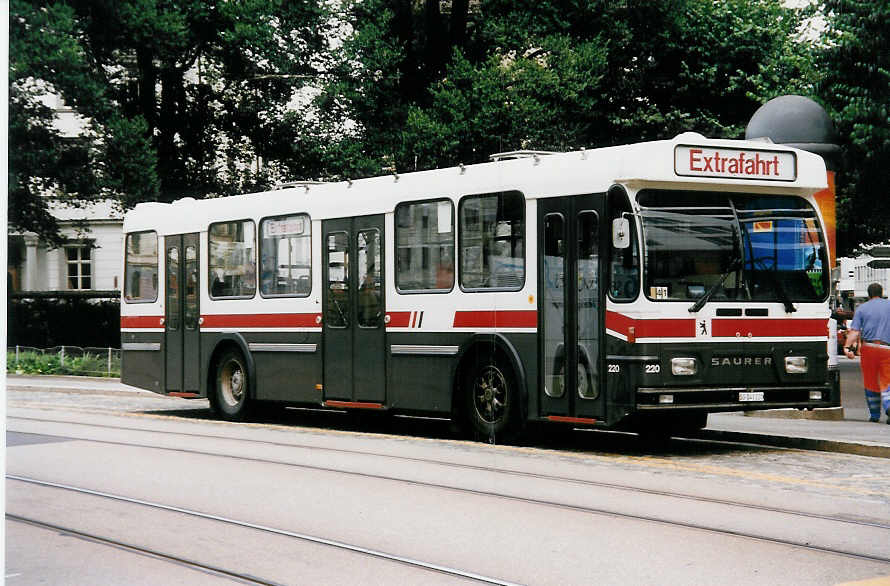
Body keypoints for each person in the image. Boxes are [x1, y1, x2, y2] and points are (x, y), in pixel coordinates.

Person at [843, 282, 890, 423]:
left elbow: (855, 331)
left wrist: (847, 347)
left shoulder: (862, 309)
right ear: (882, 293)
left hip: (869, 348)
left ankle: (875, 415)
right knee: (887, 380)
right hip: (887, 348)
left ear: (868, 295)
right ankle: (889, 406)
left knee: (870, 381)